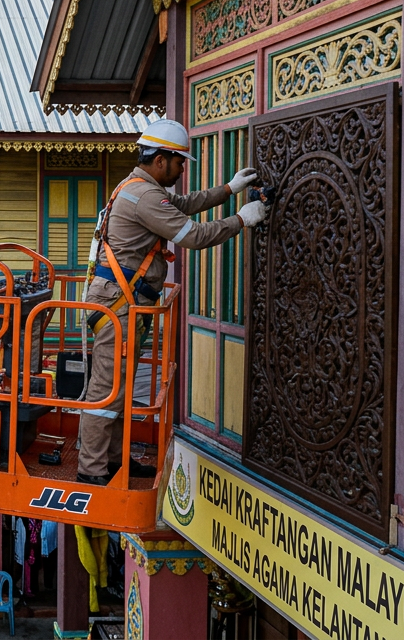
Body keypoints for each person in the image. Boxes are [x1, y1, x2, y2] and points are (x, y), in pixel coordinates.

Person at [78, 119, 269, 484]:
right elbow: (192, 235)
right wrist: (241, 221)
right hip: (120, 305)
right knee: (106, 391)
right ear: (161, 159)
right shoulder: (146, 196)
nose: (182, 170)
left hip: (124, 303)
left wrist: (228, 189)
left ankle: (114, 459)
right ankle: (92, 471)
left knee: (119, 385)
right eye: (180, 162)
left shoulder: (138, 187)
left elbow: (181, 204)